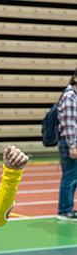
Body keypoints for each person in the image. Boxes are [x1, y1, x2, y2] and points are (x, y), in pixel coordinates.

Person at [56, 68, 77, 220]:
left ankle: (67, 207)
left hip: (71, 142)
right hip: (70, 142)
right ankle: (64, 210)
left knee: (72, 176)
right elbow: (69, 124)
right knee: (69, 177)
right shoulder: (70, 96)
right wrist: (73, 145)